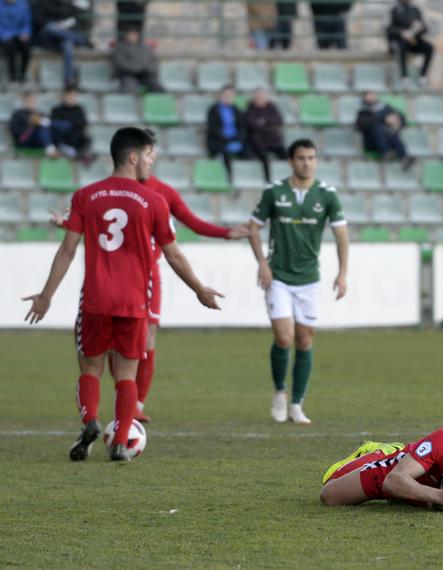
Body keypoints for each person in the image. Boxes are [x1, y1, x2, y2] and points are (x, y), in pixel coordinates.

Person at [22, 127, 223, 461]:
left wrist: (46, 295)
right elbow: (173, 255)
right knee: (127, 375)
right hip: (134, 302)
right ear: (133, 157)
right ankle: (120, 444)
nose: (150, 162)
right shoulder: (155, 202)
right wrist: (199, 289)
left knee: (90, 369)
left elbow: (68, 250)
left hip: (96, 299)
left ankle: (90, 421)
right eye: (148, 155)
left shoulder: (86, 196)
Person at [245, 139, 349, 426]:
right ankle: (280, 391)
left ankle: (296, 404)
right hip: (278, 276)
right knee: (284, 337)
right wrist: (262, 263)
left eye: (311, 157)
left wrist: (342, 273)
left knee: (304, 340)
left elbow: (342, 235)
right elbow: (252, 228)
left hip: (309, 279)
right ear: (290, 161)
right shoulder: (274, 192)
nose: (307, 162)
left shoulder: (327, 195)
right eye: (301, 158)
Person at [319, 428, 443, 510]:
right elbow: (393, 481)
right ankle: (384, 450)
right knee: (331, 492)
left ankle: (408, 495)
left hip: (421, 484)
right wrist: (438, 496)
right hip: (409, 468)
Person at [31, 0, 91, 88]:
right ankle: (81, 40)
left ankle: (68, 79)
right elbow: (39, 20)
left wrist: (63, 24)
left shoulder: (66, 4)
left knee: (68, 46)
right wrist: (56, 24)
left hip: (62, 36)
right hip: (46, 38)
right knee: (50, 27)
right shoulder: (41, 2)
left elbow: (73, 19)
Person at [355, 90, 413, 169]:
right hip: (372, 142)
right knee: (377, 128)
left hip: (389, 139)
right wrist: (384, 119)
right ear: (365, 98)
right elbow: (360, 126)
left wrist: (396, 120)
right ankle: (385, 152)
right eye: (369, 96)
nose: (372, 97)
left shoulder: (385, 107)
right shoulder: (363, 112)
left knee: (391, 131)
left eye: (373, 95)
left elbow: (402, 118)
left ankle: (403, 157)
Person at [387, 0, 433, 89]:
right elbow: (388, 28)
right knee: (401, 47)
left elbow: (424, 28)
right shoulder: (393, 10)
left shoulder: (415, 10)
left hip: (414, 40)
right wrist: (401, 32)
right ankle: (404, 76)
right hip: (400, 41)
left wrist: (420, 28)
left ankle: (423, 76)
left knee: (429, 48)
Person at [244, 87, 286, 181]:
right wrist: (268, 124)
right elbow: (252, 124)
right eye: (258, 97)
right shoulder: (250, 109)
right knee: (264, 158)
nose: (260, 99)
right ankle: (268, 181)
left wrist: (264, 122)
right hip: (258, 142)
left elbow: (279, 120)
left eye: (262, 97)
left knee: (287, 156)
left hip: (273, 140)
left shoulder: (271, 107)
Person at [206, 85, 245, 178]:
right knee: (225, 151)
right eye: (226, 95)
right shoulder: (213, 110)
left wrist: (237, 138)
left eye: (231, 95)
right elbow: (213, 128)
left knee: (250, 152)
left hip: (234, 139)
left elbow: (242, 128)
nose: (228, 97)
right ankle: (229, 177)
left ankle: (245, 177)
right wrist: (226, 138)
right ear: (221, 95)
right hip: (219, 140)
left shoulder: (237, 110)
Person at [110, 26, 163, 94]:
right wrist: (136, 69)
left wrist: (147, 70)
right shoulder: (120, 48)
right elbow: (120, 64)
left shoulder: (146, 48)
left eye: (134, 34)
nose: (132, 36)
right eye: (130, 34)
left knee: (157, 88)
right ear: (126, 35)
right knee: (129, 89)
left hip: (145, 74)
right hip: (128, 75)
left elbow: (153, 62)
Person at [9, 90, 58, 156]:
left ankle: (53, 147)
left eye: (33, 101)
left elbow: (49, 127)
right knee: (40, 126)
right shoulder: (17, 114)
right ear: (24, 101)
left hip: (39, 140)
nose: (31, 103)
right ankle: (50, 149)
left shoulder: (40, 114)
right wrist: (30, 125)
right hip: (24, 141)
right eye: (29, 101)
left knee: (48, 125)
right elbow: (15, 131)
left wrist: (38, 122)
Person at [50, 86, 91, 162]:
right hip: (63, 139)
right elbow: (54, 125)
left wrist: (71, 123)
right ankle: (77, 155)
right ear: (64, 96)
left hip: (76, 138)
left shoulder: (79, 109)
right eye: (70, 95)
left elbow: (83, 123)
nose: (72, 98)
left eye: (74, 95)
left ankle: (77, 154)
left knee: (87, 139)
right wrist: (71, 123)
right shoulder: (57, 109)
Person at [0, 0, 32, 85]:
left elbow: (26, 23)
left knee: (26, 47)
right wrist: (4, 35)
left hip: (19, 33)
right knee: (10, 47)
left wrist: (25, 33)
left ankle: (22, 75)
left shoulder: (23, 5)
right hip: (4, 35)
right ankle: (12, 77)